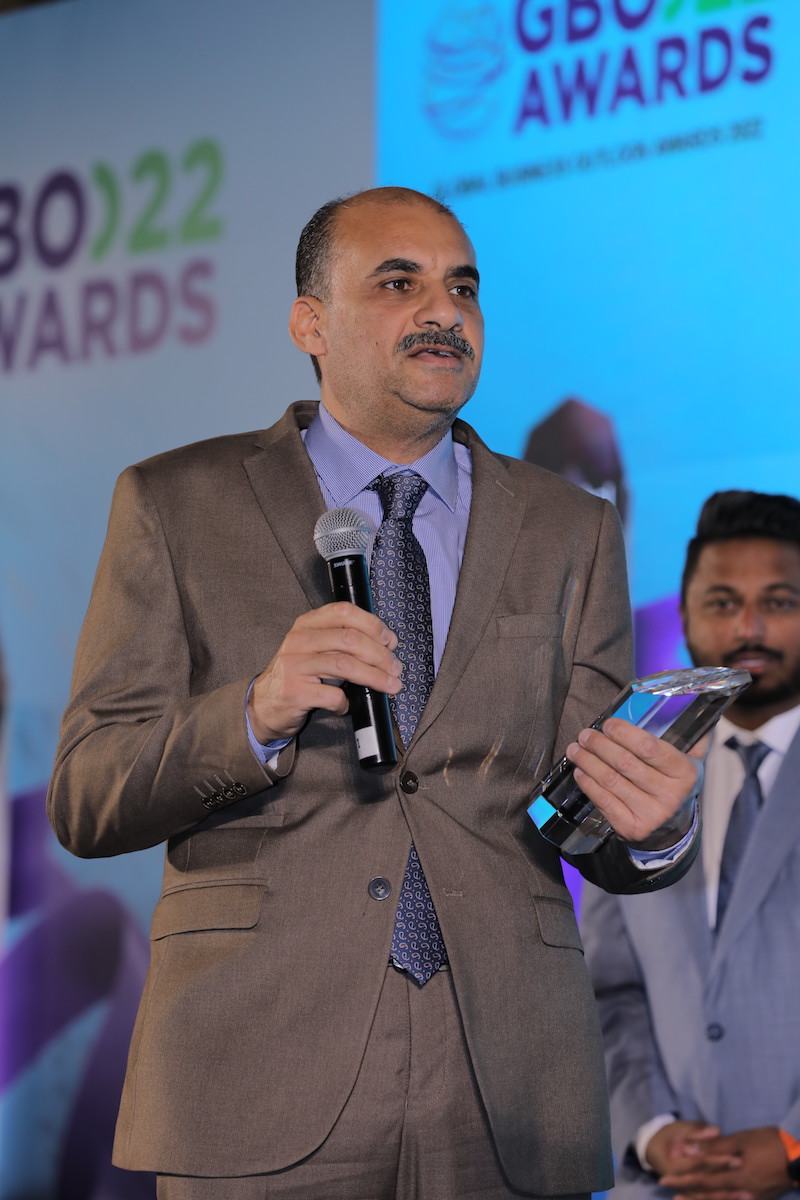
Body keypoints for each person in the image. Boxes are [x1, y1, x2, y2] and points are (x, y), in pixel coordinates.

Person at [48, 186, 702, 1200]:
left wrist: (652, 829)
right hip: (255, 1063)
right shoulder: (176, 503)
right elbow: (88, 794)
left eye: (462, 288)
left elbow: (576, 812)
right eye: (398, 284)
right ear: (309, 323)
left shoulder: (569, 528)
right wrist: (255, 714)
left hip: (507, 1077)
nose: (443, 312)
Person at [581, 489, 800, 1200]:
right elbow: (610, 990)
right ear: (683, 616)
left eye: (779, 602)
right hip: (666, 1184)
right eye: (722, 602)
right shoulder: (634, 777)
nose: (749, 627)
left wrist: (795, 1149)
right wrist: (651, 1131)